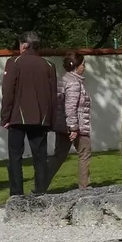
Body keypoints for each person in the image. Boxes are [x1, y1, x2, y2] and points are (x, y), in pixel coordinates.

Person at [0, 31, 58, 197]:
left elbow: (8, 92)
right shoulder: (48, 65)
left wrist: (5, 116)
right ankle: (40, 191)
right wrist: (51, 120)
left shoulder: (14, 62)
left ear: (24, 45)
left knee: (15, 157)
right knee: (40, 158)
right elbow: (53, 96)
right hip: (41, 118)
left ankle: (16, 193)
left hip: (17, 117)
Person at [45, 51, 93, 190]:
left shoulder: (64, 80)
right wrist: (73, 127)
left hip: (62, 126)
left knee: (59, 156)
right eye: (83, 64)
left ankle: (40, 184)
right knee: (85, 153)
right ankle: (85, 186)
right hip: (76, 126)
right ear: (76, 66)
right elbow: (70, 107)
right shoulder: (74, 84)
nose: (84, 67)